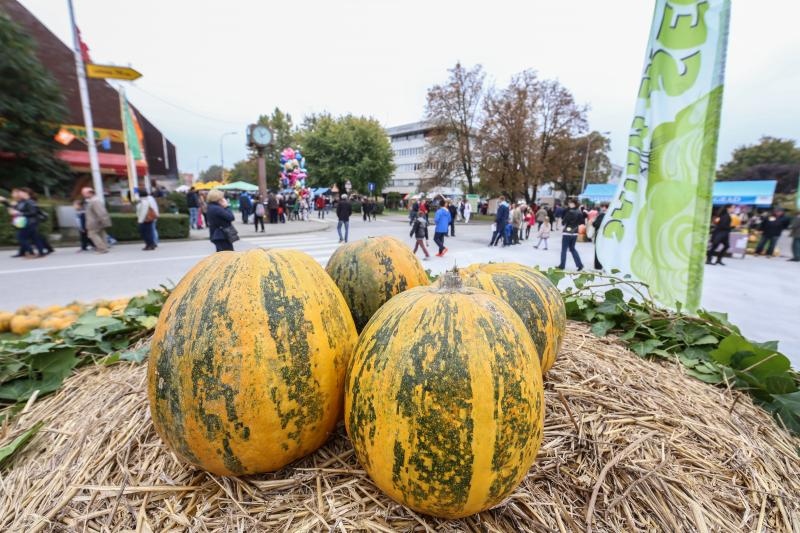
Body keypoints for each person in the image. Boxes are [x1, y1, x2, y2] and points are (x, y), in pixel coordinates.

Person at [557, 199, 585, 271]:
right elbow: (582, 222)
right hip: (575, 232)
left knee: (564, 249)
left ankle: (562, 265)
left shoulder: (569, 212)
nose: (569, 204)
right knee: (572, 248)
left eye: (570, 203)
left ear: (574, 204)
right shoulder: (579, 212)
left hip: (567, 232)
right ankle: (580, 265)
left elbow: (563, 222)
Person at [82, 187, 111, 254]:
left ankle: (102, 249)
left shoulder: (94, 201)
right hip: (97, 222)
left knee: (92, 235)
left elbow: (101, 212)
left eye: (84, 193)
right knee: (101, 234)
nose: (83, 195)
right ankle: (104, 248)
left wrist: (104, 221)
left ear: (89, 193)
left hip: (95, 222)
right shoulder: (94, 200)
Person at [593, 204, 608, 269]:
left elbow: (596, 224)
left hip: (599, 235)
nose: (603, 208)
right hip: (607, 236)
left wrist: (593, 222)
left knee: (598, 251)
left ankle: (598, 266)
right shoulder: (611, 215)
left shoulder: (601, 215)